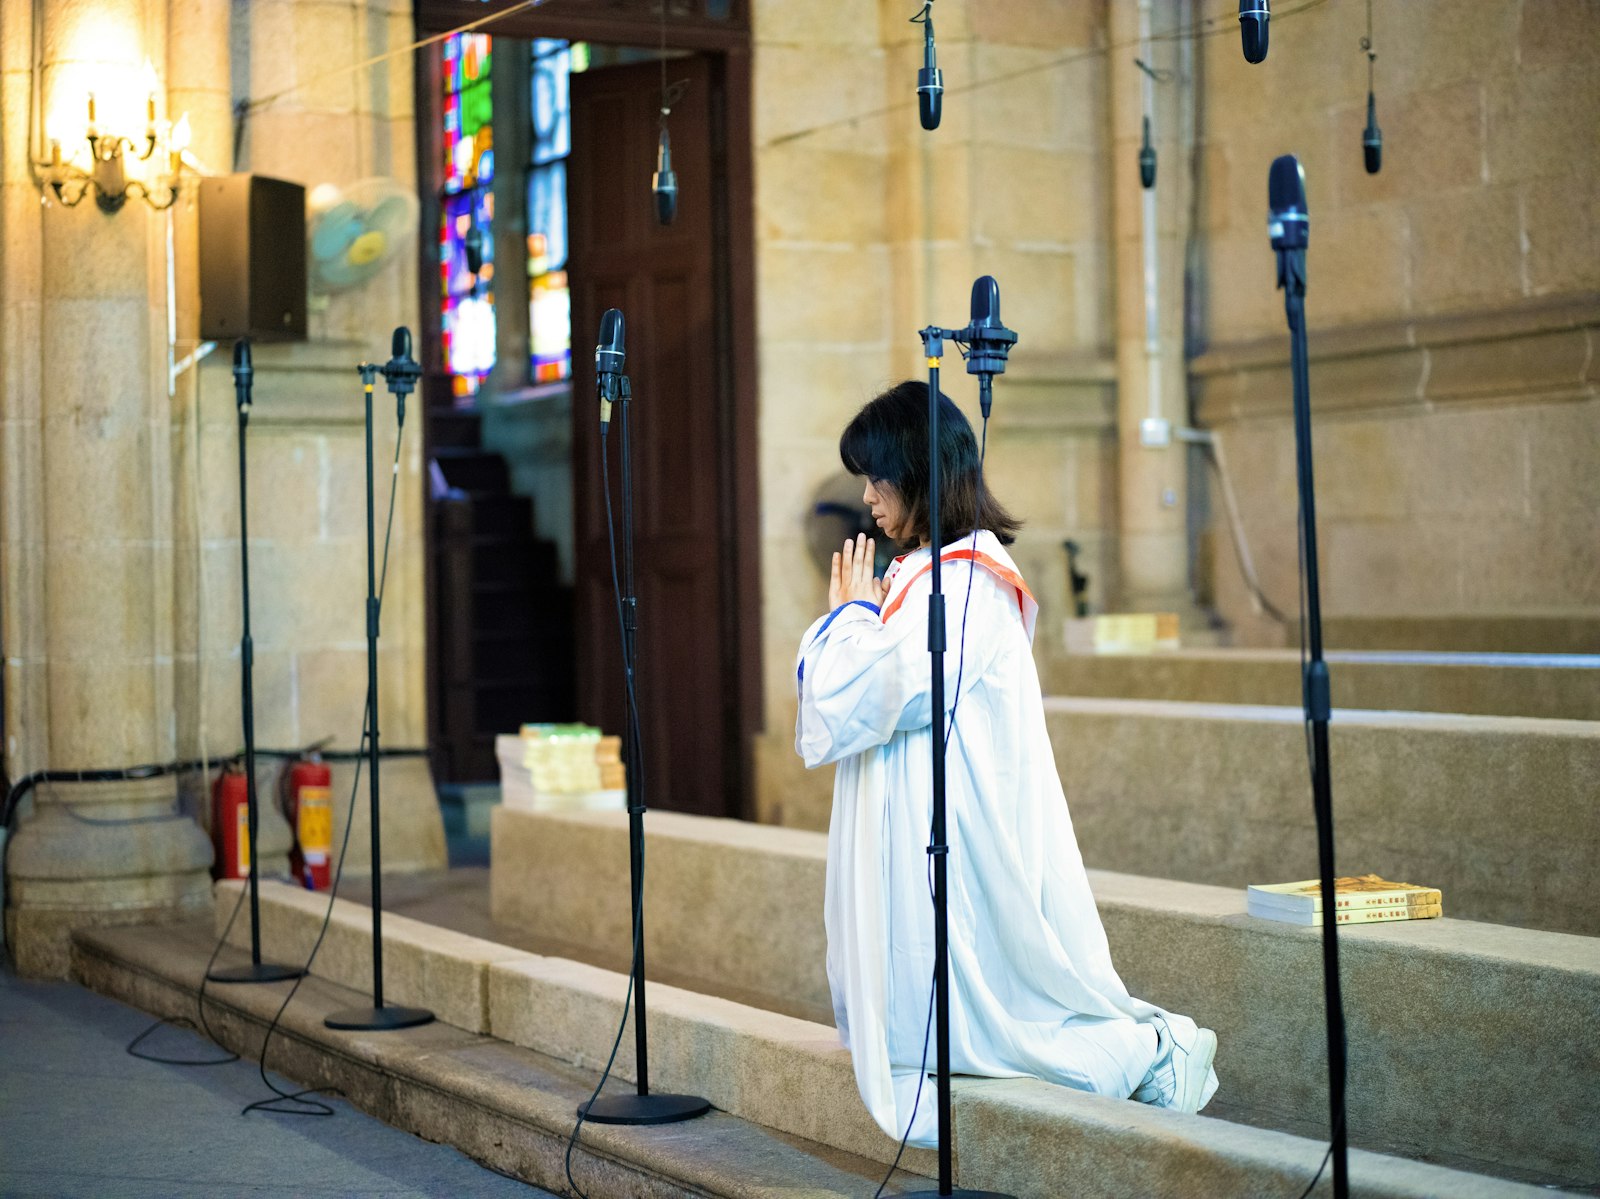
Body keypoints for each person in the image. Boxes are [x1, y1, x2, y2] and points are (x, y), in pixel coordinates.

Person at [795, 380, 1218, 1148]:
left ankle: (1152, 1050)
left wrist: (847, 620)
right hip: (919, 817)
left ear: (920, 473)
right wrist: (854, 622)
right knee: (937, 1028)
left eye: (878, 478)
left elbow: (875, 691)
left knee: (1002, 1029)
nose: (867, 498)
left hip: (960, 826)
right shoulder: (928, 572)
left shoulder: (968, 582)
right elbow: (852, 700)